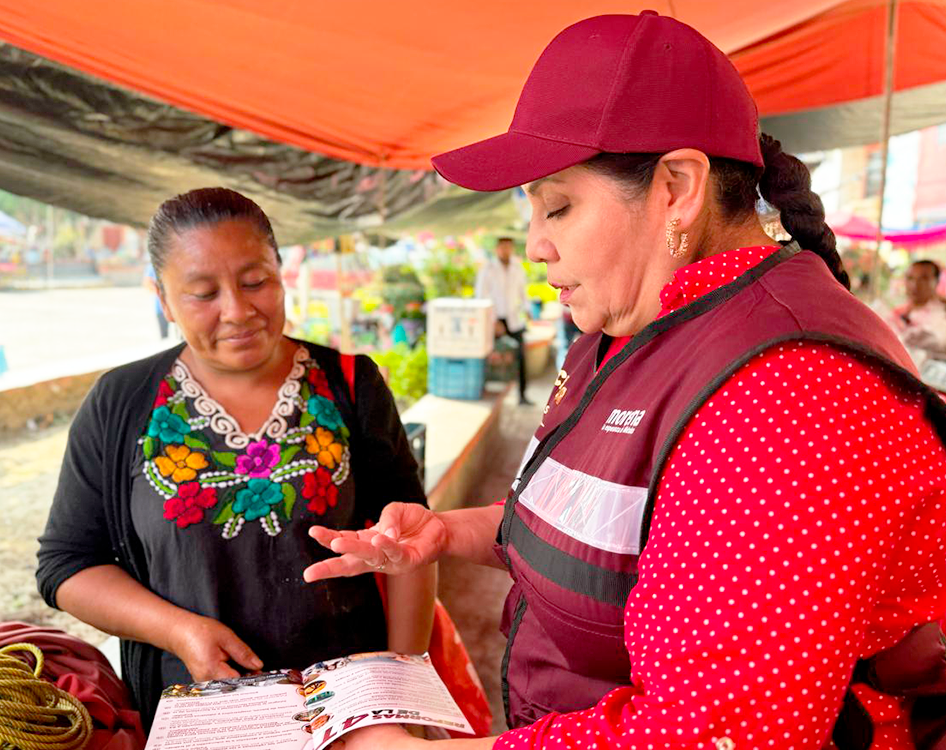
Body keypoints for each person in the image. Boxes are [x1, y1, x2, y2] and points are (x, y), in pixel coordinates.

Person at [304, 12, 946, 750]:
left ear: (676, 187)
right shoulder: (627, 328)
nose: (537, 245)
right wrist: (452, 531)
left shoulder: (792, 393)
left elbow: (707, 736)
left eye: (559, 206)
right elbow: (601, 527)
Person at [36, 188, 437, 731]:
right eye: (203, 293)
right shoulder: (121, 401)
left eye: (255, 282)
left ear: (279, 271)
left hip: (347, 708)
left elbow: (413, 541)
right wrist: (179, 631)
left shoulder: (349, 383)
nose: (237, 311)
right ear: (162, 298)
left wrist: (403, 688)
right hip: (196, 710)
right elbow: (68, 565)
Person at [475, 238, 531, 405]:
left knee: (521, 356)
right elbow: (481, 296)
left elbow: (523, 292)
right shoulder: (487, 269)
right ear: (497, 249)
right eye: (502, 247)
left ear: (512, 248)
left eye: (508, 247)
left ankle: (522, 396)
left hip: (514, 319)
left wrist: (527, 310)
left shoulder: (517, 267)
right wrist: (493, 321)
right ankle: (482, 390)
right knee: (486, 355)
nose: (505, 251)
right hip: (494, 319)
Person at [891, 260, 946, 365]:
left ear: (936, 281)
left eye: (924, 278)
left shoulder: (942, 313)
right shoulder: (896, 312)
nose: (915, 284)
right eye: (910, 278)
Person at [142, 261, 170, 339]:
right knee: (164, 337)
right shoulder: (152, 265)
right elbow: (148, 282)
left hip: (177, 308)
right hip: (161, 308)